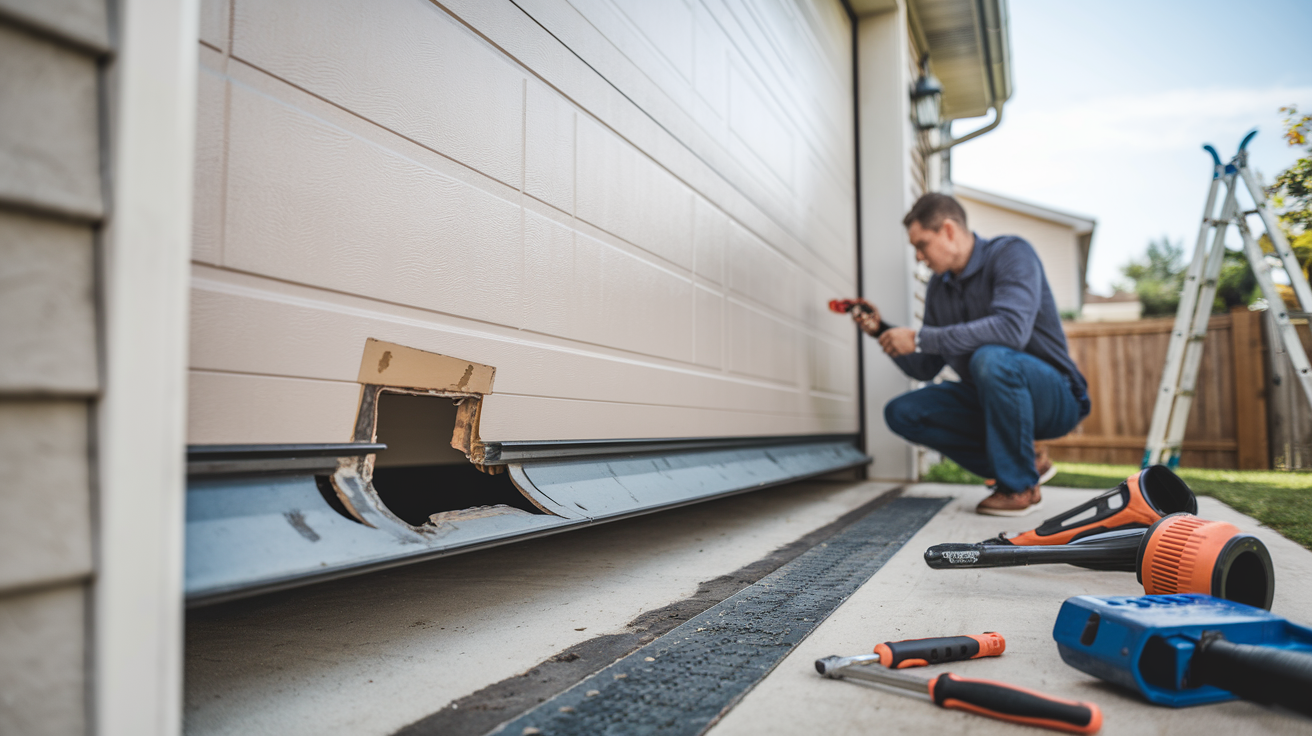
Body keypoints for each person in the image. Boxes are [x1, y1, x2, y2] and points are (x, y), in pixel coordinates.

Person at [852, 192, 1090, 516]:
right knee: (903, 411)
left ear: (948, 230)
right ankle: (1025, 461)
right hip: (990, 398)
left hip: (1055, 397)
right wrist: (881, 330)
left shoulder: (1010, 254)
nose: (919, 257)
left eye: (921, 245)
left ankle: (1017, 487)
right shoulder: (939, 288)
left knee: (990, 357)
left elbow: (1011, 330)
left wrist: (921, 337)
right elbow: (925, 366)